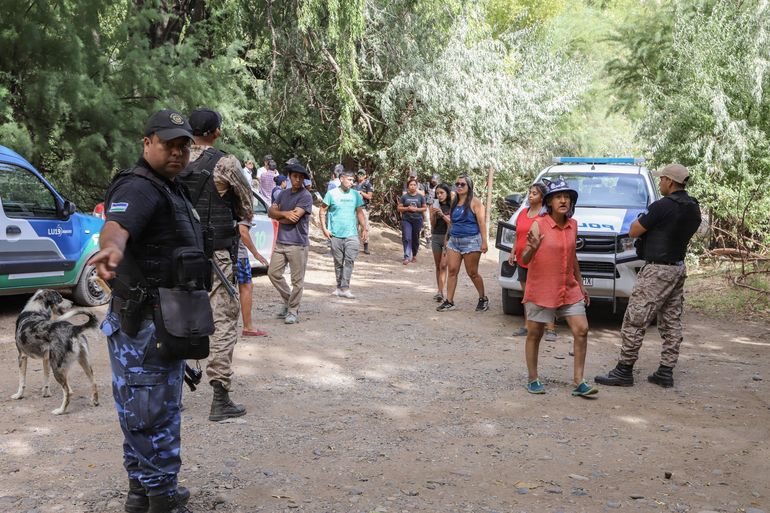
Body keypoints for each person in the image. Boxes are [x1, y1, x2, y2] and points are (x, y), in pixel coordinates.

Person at [90, 109, 198, 513]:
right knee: (150, 411)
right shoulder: (140, 187)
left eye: (184, 145)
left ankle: (143, 492)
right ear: (147, 142)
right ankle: (162, 498)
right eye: (168, 143)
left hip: (160, 321)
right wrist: (113, 248)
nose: (177, 152)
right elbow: (119, 226)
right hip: (146, 325)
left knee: (144, 408)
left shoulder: (169, 186)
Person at [595, 164, 701, 389]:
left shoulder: (662, 206)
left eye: (661, 179)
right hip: (677, 268)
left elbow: (634, 230)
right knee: (671, 319)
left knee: (635, 319)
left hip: (657, 270)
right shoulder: (693, 207)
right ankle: (666, 371)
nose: (660, 183)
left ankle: (624, 370)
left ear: (670, 182)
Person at [179, 107, 254, 422]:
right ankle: (220, 398)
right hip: (215, 254)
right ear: (217, 132)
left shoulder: (174, 159)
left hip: (178, 253)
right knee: (223, 320)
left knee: (174, 317)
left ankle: (170, 391)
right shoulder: (226, 163)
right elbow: (246, 205)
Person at [519, 177, 597, 397]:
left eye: (567, 197)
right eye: (558, 197)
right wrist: (532, 248)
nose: (563, 201)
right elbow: (525, 258)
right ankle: (533, 378)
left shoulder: (573, 225)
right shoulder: (539, 224)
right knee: (535, 333)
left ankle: (579, 381)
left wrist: (581, 284)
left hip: (568, 286)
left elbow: (572, 256)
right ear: (550, 202)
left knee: (582, 329)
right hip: (542, 287)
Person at [509, 182, 557, 340]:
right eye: (529, 192)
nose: (530, 196)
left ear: (543, 198)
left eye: (534, 193)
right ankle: (527, 325)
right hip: (523, 259)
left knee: (544, 293)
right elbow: (518, 235)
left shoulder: (546, 216)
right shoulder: (523, 213)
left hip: (539, 261)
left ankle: (550, 328)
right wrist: (512, 252)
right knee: (527, 294)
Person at [268, 162, 314, 324]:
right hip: (281, 242)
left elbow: (294, 218)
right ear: (289, 177)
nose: (297, 180)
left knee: (297, 281)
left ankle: (293, 311)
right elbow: (270, 213)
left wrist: (280, 215)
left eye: (301, 177)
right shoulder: (282, 194)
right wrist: (284, 214)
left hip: (298, 244)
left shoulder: (306, 196)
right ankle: (289, 301)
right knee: (272, 273)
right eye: (295, 176)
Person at [437, 175, 489, 312]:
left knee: (472, 272)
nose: (459, 186)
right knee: (452, 270)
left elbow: (482, 223)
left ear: (469, 187)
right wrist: (447, 239)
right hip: (454, 241)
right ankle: (449, 301)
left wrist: (484, 242)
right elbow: (452, 223)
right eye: (457, 184)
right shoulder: (454, 202)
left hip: (471, 241)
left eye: (462, 184)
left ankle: (483, 298)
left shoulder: (475, 202)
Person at [320, 169, 367, 298]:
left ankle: (345, 287)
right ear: (341, 179)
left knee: (349, 260)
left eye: (353, 180)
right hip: (335, 234)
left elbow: (359, 212)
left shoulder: (355, 195)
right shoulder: (331, 194)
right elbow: (323, 210)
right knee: (338, 262)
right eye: (349, 180)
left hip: (352, 233)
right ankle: (339, 287)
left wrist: (364, 228)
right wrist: (324, 228)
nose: (352, 183)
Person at [236, 220, 269, 337]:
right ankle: (248, 327)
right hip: (238, 255)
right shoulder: (242, 204)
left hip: (217, 252)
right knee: (246, 287)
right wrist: (255, 253)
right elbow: (243, 232)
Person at [429, 183, 452, 302]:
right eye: (437, 193)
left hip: (448, 237)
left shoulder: (452, 206)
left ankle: (442, 291)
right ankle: (440, 291)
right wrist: (432, 215)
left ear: (447, 193)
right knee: (438, 265)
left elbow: (451, 223)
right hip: (436, 236)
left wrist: (442, 214)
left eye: (442, 192)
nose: (440, 195)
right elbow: (433, 225)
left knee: (444, 265)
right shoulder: (434, 205)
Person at [398, 177, 427, 265]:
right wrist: (407, 208)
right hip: (406, 219)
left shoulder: (420, 197)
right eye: (411, 185)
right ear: (408, 186)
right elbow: (399, 208)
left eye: (414, 185)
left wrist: (416, 209)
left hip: (417, 219)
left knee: (415, 238)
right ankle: (406, 256)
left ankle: (414, 255)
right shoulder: (404, 197)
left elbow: (425, 208)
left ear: (417, 186)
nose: (413, 186)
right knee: (407, 237)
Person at [353, 168, 373, 255]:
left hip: (363, 208)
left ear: (365, 176)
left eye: (362, 174)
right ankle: (353, 246)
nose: (360, 176)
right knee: (354, 227)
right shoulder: (354, 184)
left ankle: (366, 246)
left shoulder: (368, 184)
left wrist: (361, 193)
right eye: (359, 174)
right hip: (354, 208)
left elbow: (370, 197)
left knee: (364, 227)